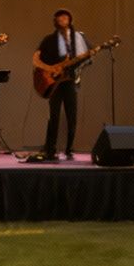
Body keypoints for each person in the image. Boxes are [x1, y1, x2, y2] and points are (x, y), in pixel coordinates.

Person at [31, 9, 89, 161]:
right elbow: (36, 59)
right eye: (59, 17)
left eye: (65, 16)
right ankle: (50, 149)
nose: (62, 19)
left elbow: (87, 56)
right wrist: (51, 69)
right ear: (55, 21)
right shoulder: (49, 39)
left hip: (70, 80)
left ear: (70, 19)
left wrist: (83, 60)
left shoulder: (78, 38)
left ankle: (69, 149)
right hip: (55, 82)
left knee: (72, 116)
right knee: (54, 116)